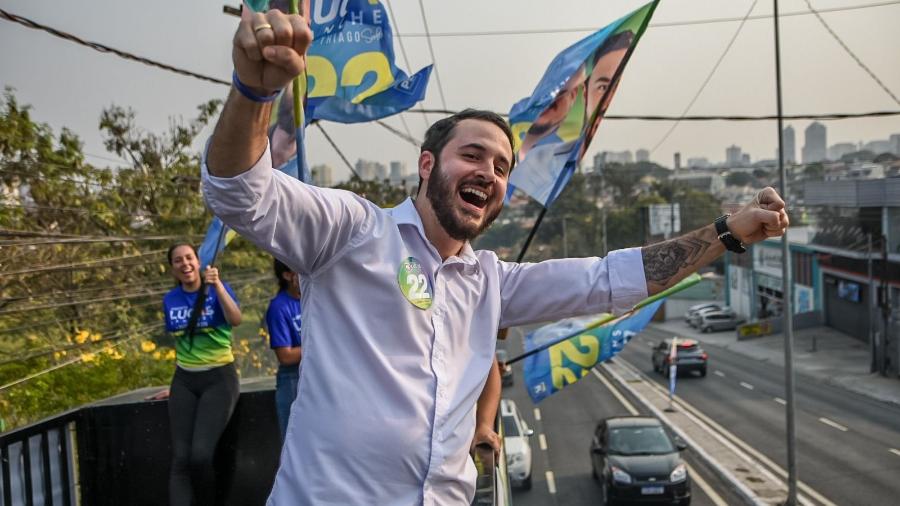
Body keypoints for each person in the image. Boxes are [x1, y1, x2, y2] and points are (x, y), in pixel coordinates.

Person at [203, 9, 788, 504]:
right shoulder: (352, 232)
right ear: (427, 165)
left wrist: (727, 233)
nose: (489, 172)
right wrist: (254, 92)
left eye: (502, 166)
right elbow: (238, 191)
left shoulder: (491, 283)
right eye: (473, 155)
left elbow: (614, 279)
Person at [163, 243, 242, 506]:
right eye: (177, 261)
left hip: (219, 378)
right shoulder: (170, 300)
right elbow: (182, 344)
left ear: (198, 262)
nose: (184, 264)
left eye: (189, 258)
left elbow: (236, 319)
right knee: (181, 459)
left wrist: (218, 286)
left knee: (200, 456)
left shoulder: (217, 290)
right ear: (172, 268)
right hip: (184, 380)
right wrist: (174, 385)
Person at [265, 258, 303, 440]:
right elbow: (286, 356)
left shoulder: (316, 300)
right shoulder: (279, 307)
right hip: (293, 379)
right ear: (288, 275)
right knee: (293, 441)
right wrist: (319, 345)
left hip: (319, 374)